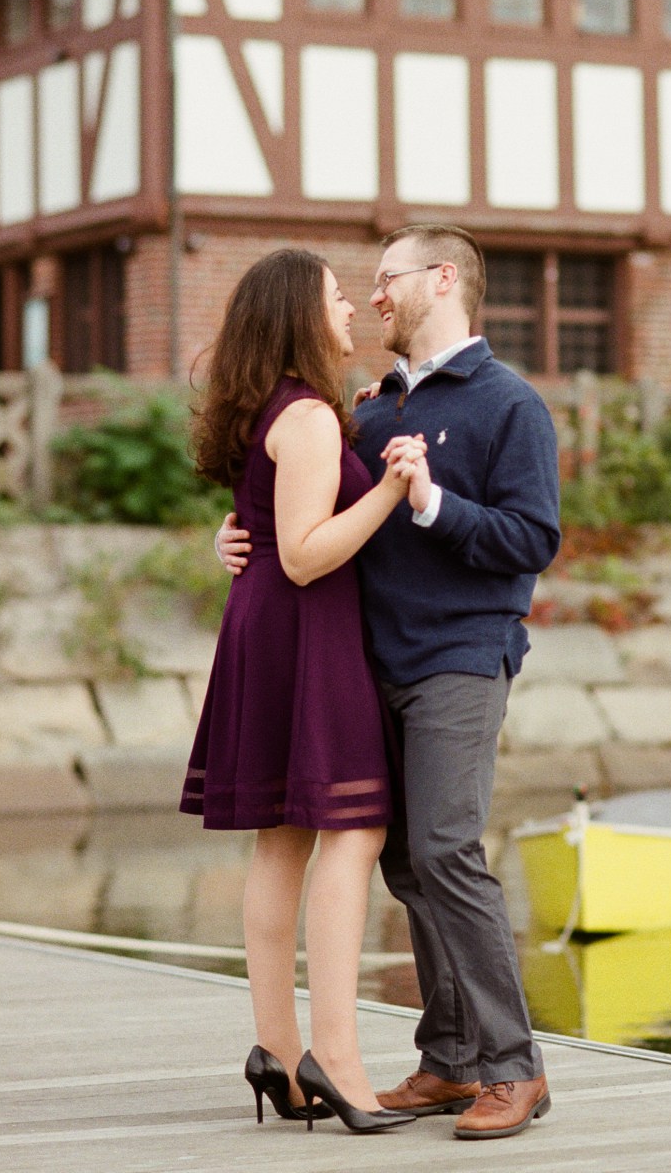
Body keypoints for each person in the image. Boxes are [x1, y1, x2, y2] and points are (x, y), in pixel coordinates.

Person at [216, 224, 562, 1141]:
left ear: (442, 279)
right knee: (408, 862)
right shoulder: (370, 410)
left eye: (386, 279)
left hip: (459, 657)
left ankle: (513, 1066)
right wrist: (235, 537)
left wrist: (434, 504)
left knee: (445, 849)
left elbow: (533, 540)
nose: (371, 297)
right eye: (359, 285)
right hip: (368, 665)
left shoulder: (510, 404)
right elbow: (299, 507)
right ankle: (449, 1060)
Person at [181, 247, 426, 1135]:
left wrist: (232, 536)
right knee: (353, 829)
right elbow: (306, 550)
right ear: (299, 313)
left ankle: (280, 1059)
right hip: (304, 629)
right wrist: (394, 490)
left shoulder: (264, 409)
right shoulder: (312, 418)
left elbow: (260, 522)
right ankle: (338, 1060)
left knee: (282, 844)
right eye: (334, 298)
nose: (351, 310)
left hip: (263, 628)